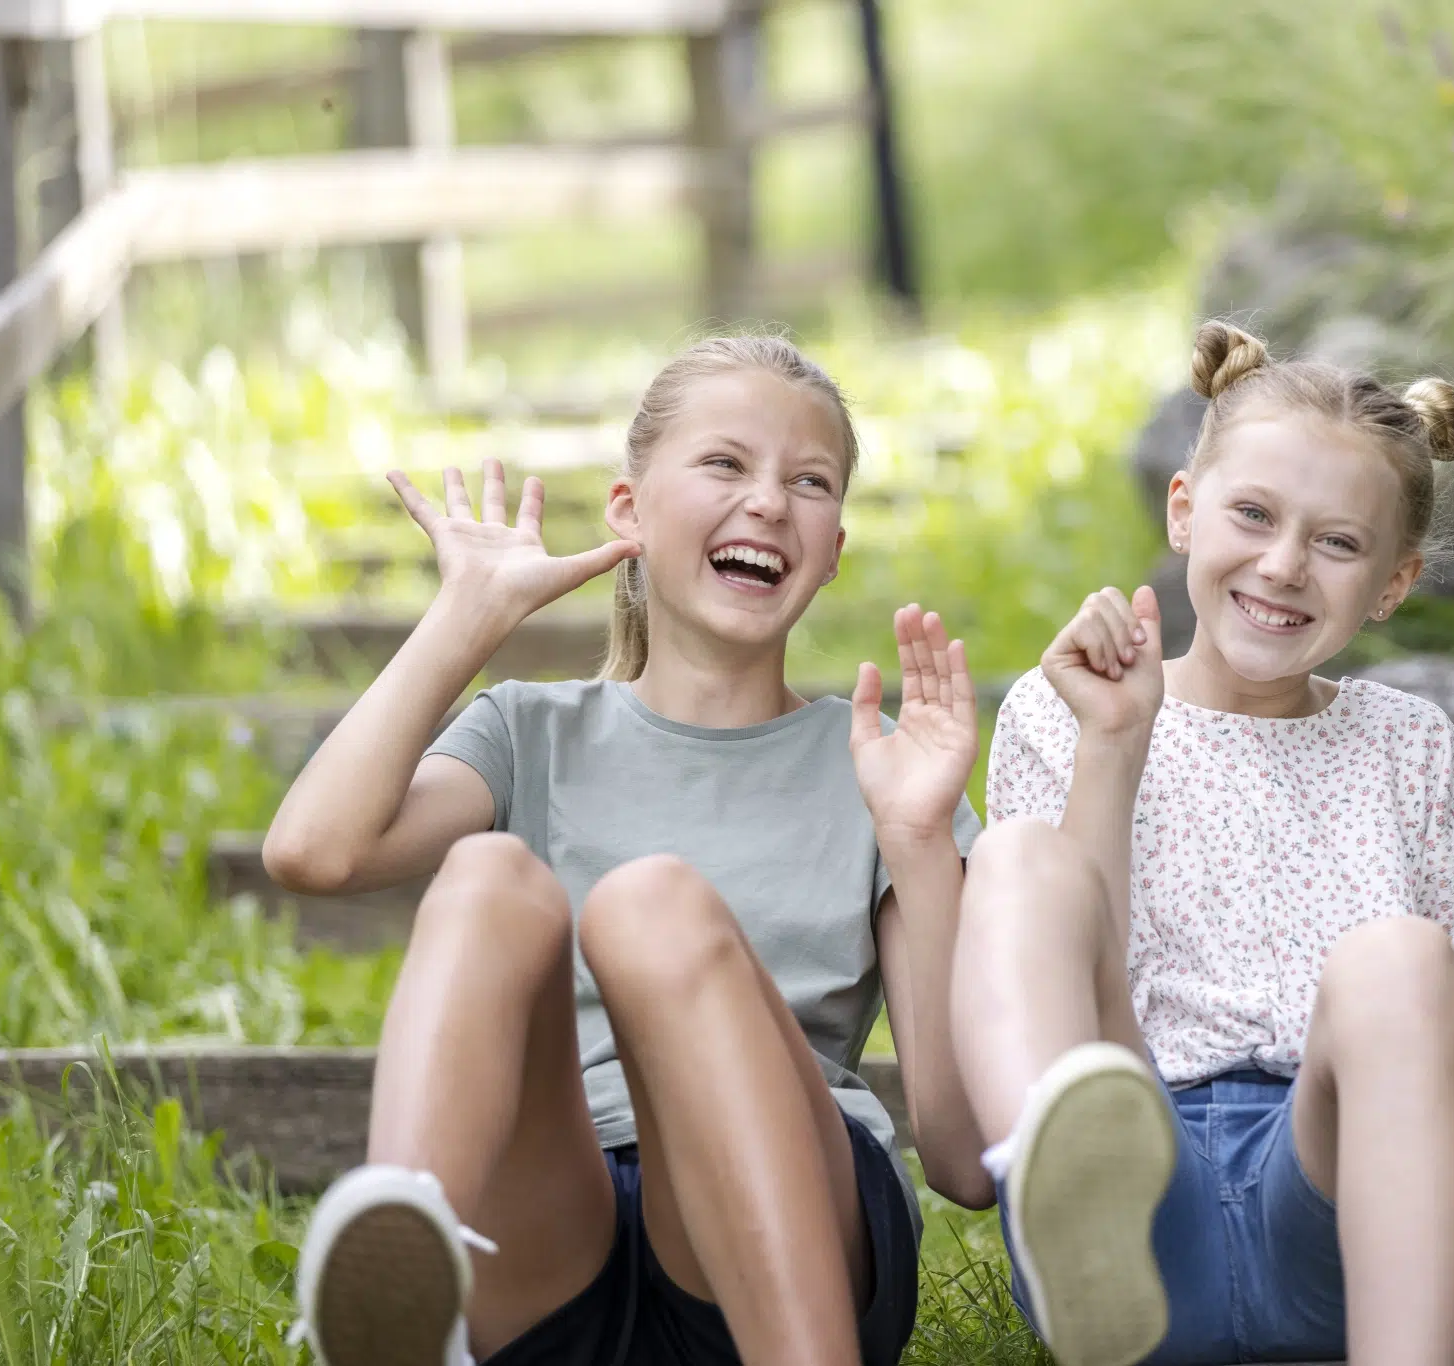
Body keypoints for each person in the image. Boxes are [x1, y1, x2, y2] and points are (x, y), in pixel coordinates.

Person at [264, 336, 987, 1366]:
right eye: (725, 464)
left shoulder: (877, 768)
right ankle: (408, 1263)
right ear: (627, 510)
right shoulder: (527, 731)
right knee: (486, 875)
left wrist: (919, 838)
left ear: (832, 551)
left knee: (650, 904)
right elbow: (311, 852)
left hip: (789, 1230)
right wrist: (466, 618)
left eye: (809, 482)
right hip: (556, 1222)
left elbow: (961, 1156)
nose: (770, 502)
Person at [950, 320, 1454, 1366]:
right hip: (1137, 1195)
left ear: (1393, 583)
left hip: (1332, 1203)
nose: (1281, 565)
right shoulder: (1068, 710)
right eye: (1253, 515)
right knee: (1016, 864)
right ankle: (1060, 1190)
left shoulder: (1408, 746)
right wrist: (1114, 742)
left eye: (1337, 542)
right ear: (1183, 510)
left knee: (1399, 958)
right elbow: (1086, 966)